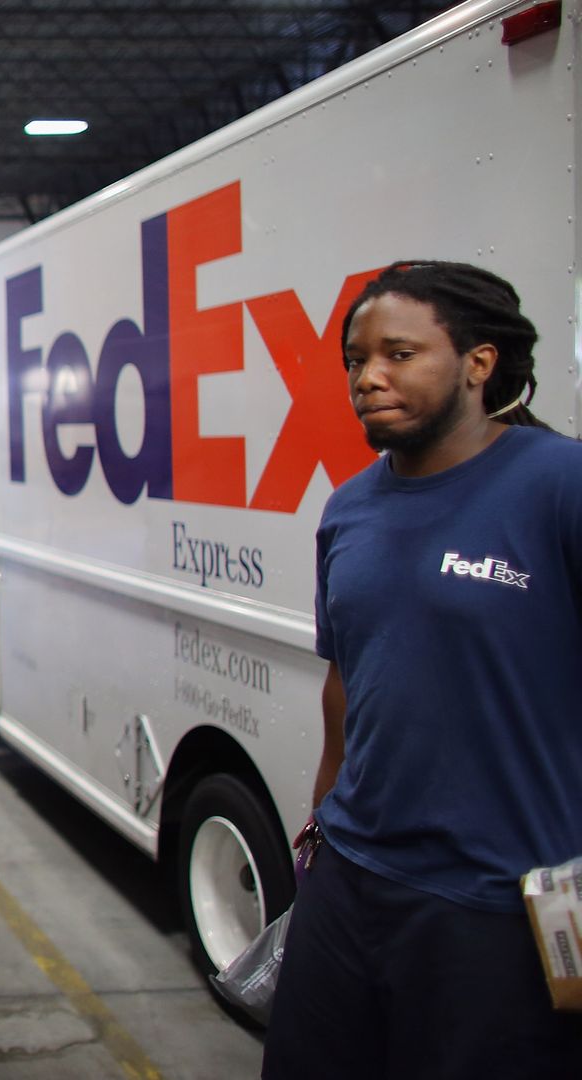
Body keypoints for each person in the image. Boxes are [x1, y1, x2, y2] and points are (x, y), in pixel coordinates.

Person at [262, 261, 582, 1076]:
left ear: (479, 362)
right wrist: (320, 838)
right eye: (355, 361)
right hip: (351, 878)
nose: (368, 378)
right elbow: (347, 685)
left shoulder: (557, 486)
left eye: (399, 354)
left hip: (496, 905)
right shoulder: (351, 507)